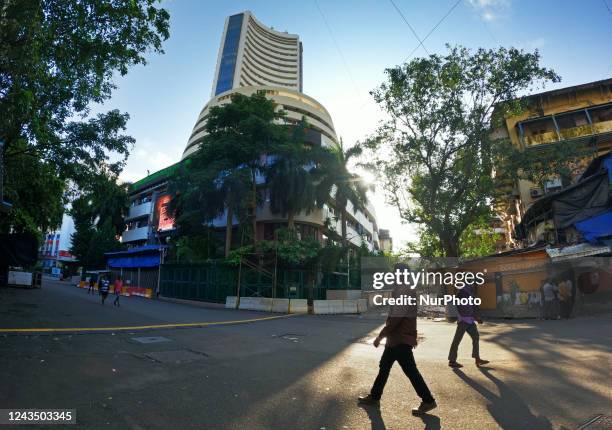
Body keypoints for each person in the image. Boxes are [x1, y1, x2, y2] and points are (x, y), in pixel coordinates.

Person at [358, 265, 437, 415]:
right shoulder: (403, 289)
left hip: (400, 339)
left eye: (394, 274)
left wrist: (381, 335)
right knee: (384, 367)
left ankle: (428, 400)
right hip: (396, 339)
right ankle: (374, 397)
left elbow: (396, 318)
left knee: (410, 371)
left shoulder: (403, 290)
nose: (392, 276)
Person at [448, 282, 489, 368]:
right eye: (472, 286)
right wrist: (476, 318)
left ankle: (477, 359)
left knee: (475, 337)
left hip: (469, 321)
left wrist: (475, 317)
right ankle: (452, 361)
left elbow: (470, 308)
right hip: (463, 321)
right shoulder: (463, 294)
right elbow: (465, 310)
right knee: (457, 340)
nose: (473, 288)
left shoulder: (467, 294)